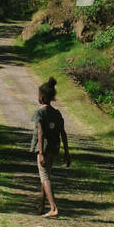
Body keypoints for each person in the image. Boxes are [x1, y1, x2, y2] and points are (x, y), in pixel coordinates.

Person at [30, 76, 70, 218]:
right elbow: (63, 133)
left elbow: (40, 132)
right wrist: (67, 152)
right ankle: (41, 205)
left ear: (41, 96)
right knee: (45, 176)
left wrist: (40, 152)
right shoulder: (57, 113)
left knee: (45, 176)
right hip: (54, 149)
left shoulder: (39, 113)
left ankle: (53, 207)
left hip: (45, 149)